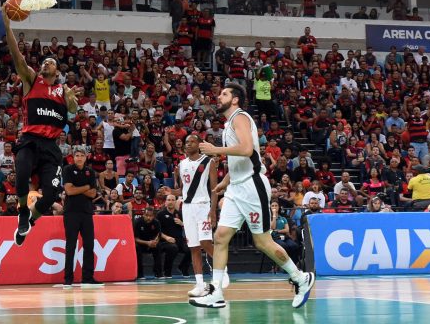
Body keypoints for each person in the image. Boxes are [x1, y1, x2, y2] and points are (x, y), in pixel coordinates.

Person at [192, 83, 314, 309]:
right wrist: (225, 182)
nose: (219, 97)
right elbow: (242, 158)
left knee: (262, 241)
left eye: (224, 94)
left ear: (235, 99)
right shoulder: (230, 123)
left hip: (252, 186)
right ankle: (216, 292)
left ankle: (300, 277)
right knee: (221, 236)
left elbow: (247, 149)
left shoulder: (240, 117)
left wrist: (215, 150)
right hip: (236, 187)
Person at [2, 4, 82, 245]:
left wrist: (70, 99)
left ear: (57, 71)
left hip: (51, 146)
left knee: (52, 194)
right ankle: (23, 212)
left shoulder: (63, 89)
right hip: (30, 140)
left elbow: (73, 109)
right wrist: (7, 25)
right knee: (21, 174)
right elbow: (17, 56)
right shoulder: (31, 79)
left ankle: (30, 220)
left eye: (51, 62)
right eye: (44, 61)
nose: (46, 63)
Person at [173, 134, 221, 297]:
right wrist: (170, 191)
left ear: (199, 145)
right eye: (186, 142)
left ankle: (222, 269)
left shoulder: (208, 162)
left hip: (202, 206)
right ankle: (200, 285)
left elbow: (214, 189)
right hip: (187, 208)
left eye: (192, 141)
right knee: (193, 246)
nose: (188, 144)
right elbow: (182, 190)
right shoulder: (181, 164)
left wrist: (213, 211)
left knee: (205, 242)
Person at [62, 149, 102, 287]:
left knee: (89, 245)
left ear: (86, 158)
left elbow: (93, 194)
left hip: (86, 212)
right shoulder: (67, 169)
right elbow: (69, 191)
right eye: (77, 155)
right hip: (71, 212)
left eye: (82, 155)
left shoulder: (90, 172)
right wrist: (85, 187)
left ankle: (88, 277)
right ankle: (68, 278)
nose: (79, 158)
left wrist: (77, 188)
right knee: (71, 245)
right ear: (73, 158)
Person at [134, 207, 163, 279]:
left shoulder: (156, 222)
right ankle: (140, 274)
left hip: (152, 243)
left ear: (153, 216)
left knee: (158, 247)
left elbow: (158, 234)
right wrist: (147, 243)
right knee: (137, 248)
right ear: (143, 215)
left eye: (150, 216)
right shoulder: (137, 222)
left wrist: (155, 242)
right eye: (147, 215)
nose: (148, 218)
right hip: (141, 243)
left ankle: (158, 273)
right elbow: (135, 238)